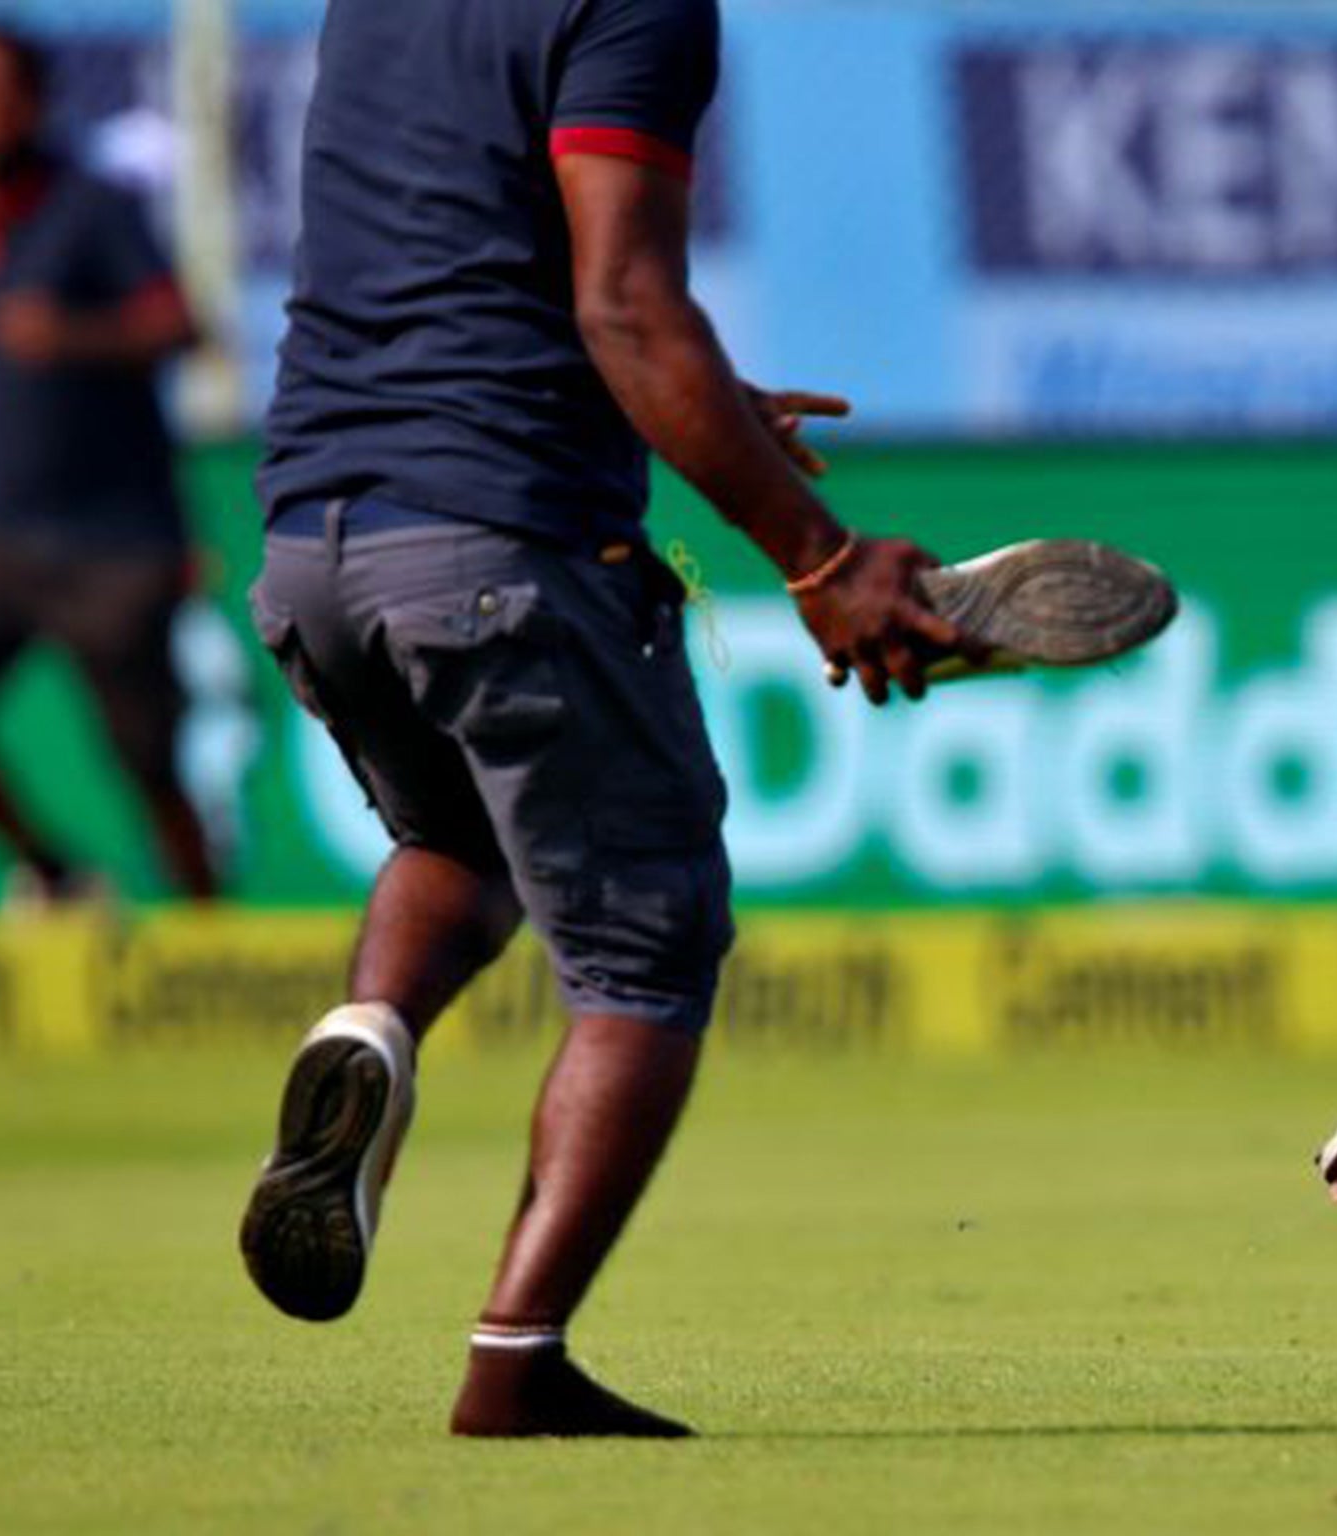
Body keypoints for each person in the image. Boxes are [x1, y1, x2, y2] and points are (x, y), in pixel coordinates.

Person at [235, 0, 991, 1439]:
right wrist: (821, 563)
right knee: (648, 942)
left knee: (462, 833)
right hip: (500, 545)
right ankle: (516, 1361)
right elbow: (626, 305)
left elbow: (473, 274)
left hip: (315, 539)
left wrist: (695, 405)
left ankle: (374, 1029)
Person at [0, 26, 219, 903]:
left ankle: (206, 934)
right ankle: (52, 873)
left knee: (150, 764)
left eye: (2, 90)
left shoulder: (91, 206)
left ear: (37, 102)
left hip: (111, 544)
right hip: (1, 539)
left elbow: (182, 325)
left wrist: (75, 335)